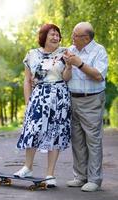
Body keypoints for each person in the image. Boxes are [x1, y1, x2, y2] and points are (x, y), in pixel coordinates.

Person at [14, 24, 72, 187]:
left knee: (56, 133)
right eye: (52, 34)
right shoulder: (31, 54)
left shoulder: (64, 52)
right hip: (39, 96)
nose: (55, 37)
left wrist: (68, 66)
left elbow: (67, 77)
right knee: (32, 129)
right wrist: (28, 102)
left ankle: (50, 175)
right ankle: (28, 167)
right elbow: (27, 80)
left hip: (59, 97)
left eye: (57, 35)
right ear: (44, 36)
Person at [63, 22, 108, 192]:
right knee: (77, 140)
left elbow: (98, 75)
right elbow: (66, 77)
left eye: (75, 35)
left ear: (86, 38)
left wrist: (79, 64)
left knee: (93, 140)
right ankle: (80, 176)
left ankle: (94, 180)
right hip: (73, 99)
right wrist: (68, 65)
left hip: (92, 100)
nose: (72, 38)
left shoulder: (99, 51)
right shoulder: (71, 50)